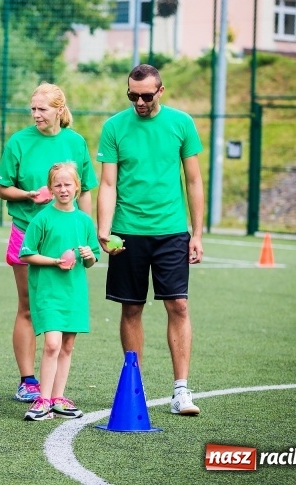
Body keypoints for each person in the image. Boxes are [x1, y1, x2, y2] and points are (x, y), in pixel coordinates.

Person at [96, 63, 204, 416]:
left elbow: (193, 181)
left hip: (171, 230)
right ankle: (135, 387)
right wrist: (104, 228)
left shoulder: (181, 124)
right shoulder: (114, 127)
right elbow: (108, 184)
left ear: (161, 90)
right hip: (127, 231)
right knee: (132, 307)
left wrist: (197, 232)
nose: (138, 102)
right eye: (132, 95)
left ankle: (181, 391)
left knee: (179, 305)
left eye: (145, 95)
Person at [0, 83, 98, 403]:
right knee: (28, 306)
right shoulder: (19, 141)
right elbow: (3, 189)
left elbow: (87, 192)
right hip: (28, 232)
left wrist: (87, 234)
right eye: (33, 109)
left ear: (59, 109)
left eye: (42, 109)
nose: (36, 115)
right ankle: (28, 380)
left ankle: (55, 387)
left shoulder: (76, 142)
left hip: (67, 237)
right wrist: (28, 194)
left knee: (62, 306)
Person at [19, 163, 99, 421]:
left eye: (68, 184)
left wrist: (88, 256)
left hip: (74, 294)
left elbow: (92, 259)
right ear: (50, 188)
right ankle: (42, 399)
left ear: (77, 187)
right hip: (48, 292)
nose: (63, 189)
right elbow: (27, 253)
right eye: (58, 185)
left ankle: (57, 398)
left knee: (67, 346)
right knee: (52, 344)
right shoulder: (42, 218)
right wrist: (55, 261)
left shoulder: (84, 221)